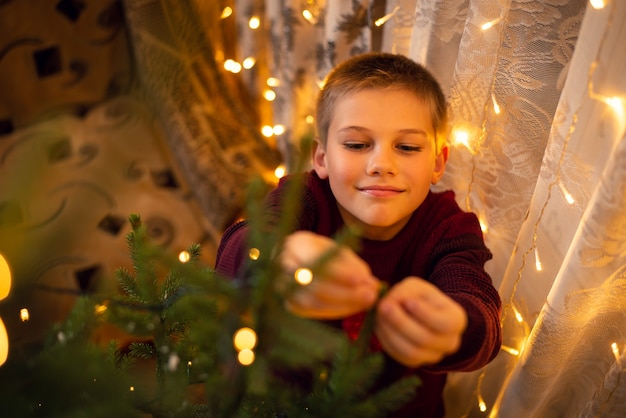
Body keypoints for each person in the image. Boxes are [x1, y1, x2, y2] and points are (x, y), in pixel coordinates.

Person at [215, 52, 502, 417]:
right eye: (356, 144)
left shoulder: (449, 227)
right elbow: (239, 250)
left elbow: (479, 305)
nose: (381, 164)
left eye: (408, 147)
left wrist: (457, 324)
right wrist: (279, 255)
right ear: (321, 158)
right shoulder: (302, 197)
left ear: (438, 162)